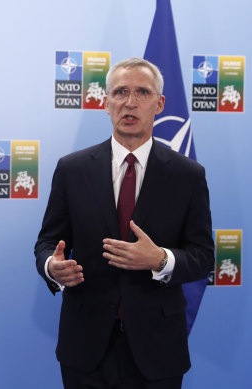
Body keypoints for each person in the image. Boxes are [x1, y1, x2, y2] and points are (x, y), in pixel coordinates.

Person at [34, 58, 214, 388]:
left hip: (158, 348)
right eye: (120, 92)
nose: (130, 102)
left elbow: (204, 257)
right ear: (105, 103)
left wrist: (160, 259)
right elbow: (48, 242)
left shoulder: (188, 175)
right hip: (86, 347)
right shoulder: (72, 170)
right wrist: (50, 265)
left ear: (159, 104)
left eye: (142, 92)